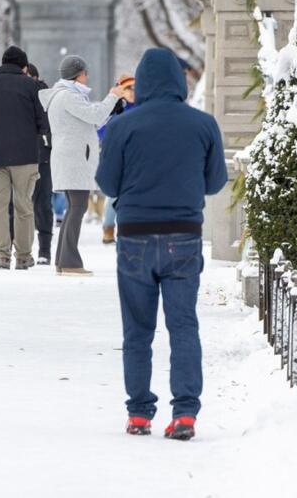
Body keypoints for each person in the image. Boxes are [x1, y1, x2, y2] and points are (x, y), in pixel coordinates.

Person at [96, 48, 228, 441]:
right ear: (179, 81)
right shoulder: (203, 124)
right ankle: (185, 412)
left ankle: (139, 413)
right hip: (183, 235)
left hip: (135, 235)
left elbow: (107, 184)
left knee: (137, 329)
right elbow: (215, 181)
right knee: (183, 324)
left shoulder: (123, 127)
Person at [39, 55, 124, 276]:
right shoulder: (68, 96)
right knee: (77, 208)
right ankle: (69, 262)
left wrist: (111, 108)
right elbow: (94, 114)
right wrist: (112, 96)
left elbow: (91, 120)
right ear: (78, 74)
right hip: (74, 158)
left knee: (74, 208)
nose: (88, 77)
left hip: (72, 157)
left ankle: (63, 260)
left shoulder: (65, 95)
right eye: (86, 73)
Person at [0, 45, 50, 270]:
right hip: (25, 154)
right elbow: (43, 123)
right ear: (24, 66)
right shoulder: (32, 87)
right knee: (23, 205)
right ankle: (24, 255)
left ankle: (1, 255)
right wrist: (29, 132)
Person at [98, 74, 137, 244]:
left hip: (136, 157)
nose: (131, 92)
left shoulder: (143, 107)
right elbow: (100, 131)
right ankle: (108, 227)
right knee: (113, 195)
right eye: (127, 89)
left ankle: (127, 227)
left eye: (134, 88)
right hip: (116, 156)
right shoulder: (113, 108)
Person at [27, 63, 55, 265]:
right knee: (18, 204)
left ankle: (44, 249)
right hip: (20, 155)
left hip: (42, 155)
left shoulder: (46, 97)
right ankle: (19, 247)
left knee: (42, 204)